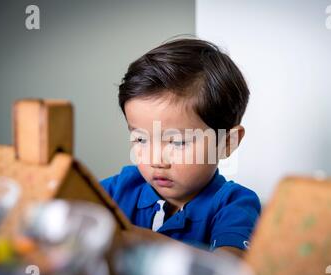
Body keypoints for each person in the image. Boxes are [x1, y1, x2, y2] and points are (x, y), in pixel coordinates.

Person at [100, 38, 260, 257]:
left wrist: (130, 238)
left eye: (177, 142)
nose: (156, 160)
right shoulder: (118, 189)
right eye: (141, 139)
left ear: (227, 142)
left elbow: (230, 267)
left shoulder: (234, 204)